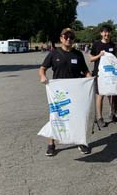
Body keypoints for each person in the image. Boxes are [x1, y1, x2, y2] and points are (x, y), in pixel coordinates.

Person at [39, 28, 92, 156]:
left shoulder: (78, 54)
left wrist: (90, 79)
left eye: (71, 37)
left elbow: (85, 71)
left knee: (77, 117)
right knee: (56, 115)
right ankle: (51, 144)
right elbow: (42, 68)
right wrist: (42, 76)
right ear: (61, 38)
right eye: (66, 36)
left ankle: (80, 141)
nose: (69, 39)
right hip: (59, 92)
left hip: (76, 91)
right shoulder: (54, 53)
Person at [89, 24, 117, 128]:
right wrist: (99, 55)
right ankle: (99, 118)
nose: (106, 34)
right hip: (99, 74)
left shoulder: (113, 46)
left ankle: (112, 113)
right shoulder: (96, 44)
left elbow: (116, 60)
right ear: (101, 33)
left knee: (111, 95)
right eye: (104, 32)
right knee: (100, 96)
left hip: (110, 74)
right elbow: (91, 59)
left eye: (108, 32)